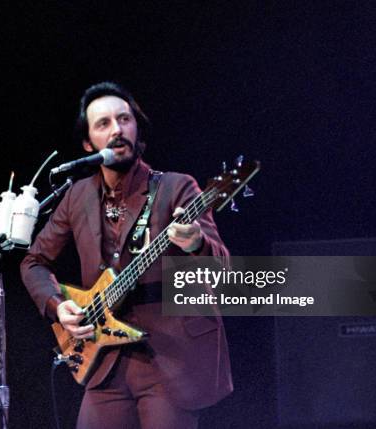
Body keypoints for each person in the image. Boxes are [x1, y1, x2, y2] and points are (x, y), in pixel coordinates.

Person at [20, 82, 232, 429]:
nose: (117, 129)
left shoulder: (176, 188)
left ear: (137, 128)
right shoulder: (76, 196)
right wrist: (58, 306)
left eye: (124, 119)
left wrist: (195, 244)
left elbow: (221, 268)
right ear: (89, 144)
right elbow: (34, 261)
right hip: (104, 362)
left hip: (169, 361)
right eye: (103, 124)